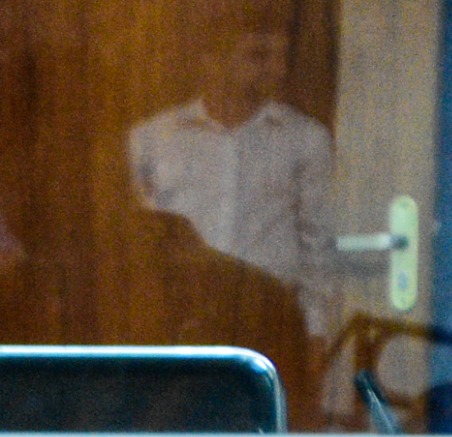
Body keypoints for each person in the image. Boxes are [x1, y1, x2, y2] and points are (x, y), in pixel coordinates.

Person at [130, 18, 342, 344]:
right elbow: (142, 241)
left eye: (281, 57)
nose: (276, 69)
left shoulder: (305, 139)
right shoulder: (152, 138)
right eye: (258, 56)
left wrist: (314, 333)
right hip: (176, 321)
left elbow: (319, 247)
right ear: (213, 61)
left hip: (268, 321)